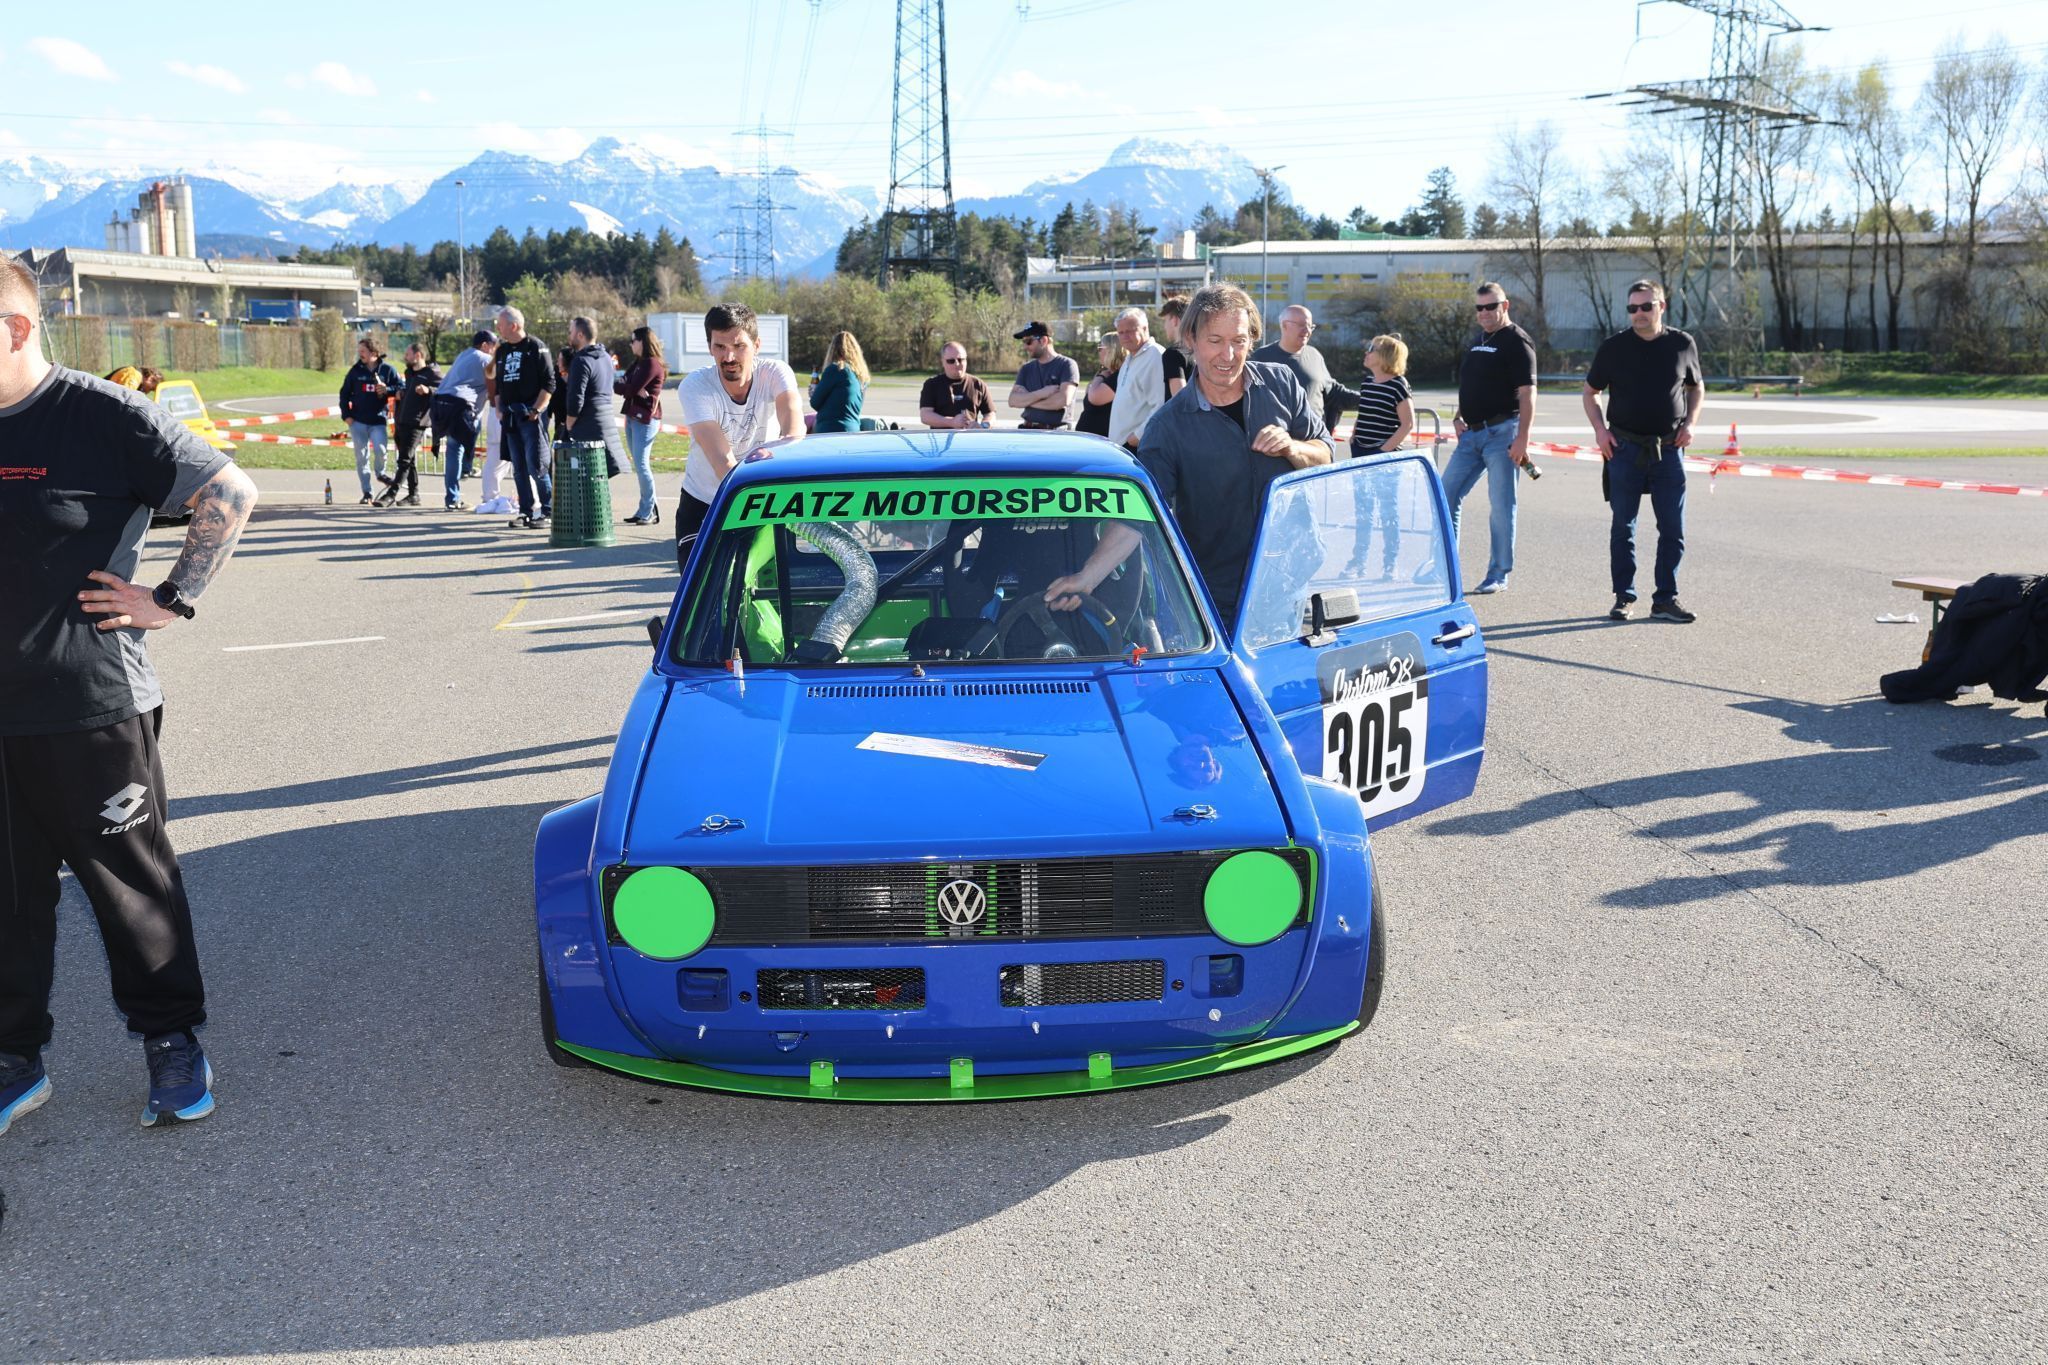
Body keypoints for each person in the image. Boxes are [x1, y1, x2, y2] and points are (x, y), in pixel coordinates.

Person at [0, 254, 259, 1133]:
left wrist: (171, 597)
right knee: (6, 897)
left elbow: (229, 487)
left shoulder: (102, 415)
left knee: (130, 888)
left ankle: (172, 1042)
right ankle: (14, 1058)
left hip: (92, 707)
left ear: (16, 329)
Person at [1045, 282, 1334, 627]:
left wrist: (1292, 446)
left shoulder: (1282, 384)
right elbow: (1137, 514)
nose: (1228, 355)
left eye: (1239, 341)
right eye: (1215, 341)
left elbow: (1325, 452)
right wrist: (1088, 577)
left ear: (1252, 340)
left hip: (1289, 583)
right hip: (1219, 599)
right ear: (1191, 339)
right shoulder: (1166, 428)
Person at [1582, 279, 1703, 624]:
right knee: (1624, 526)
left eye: (1646, 306)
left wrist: (1691, 423)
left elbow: (1696, 387)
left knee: (1673, 529)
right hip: (1623, 449)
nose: (1639, 313)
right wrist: (1600, 431)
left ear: (1661, 307)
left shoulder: (1682, 343)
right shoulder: (1613, 347)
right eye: (1632, 308)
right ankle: (1624, 596)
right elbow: (1590, 392)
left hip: (1669, 448)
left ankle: (1665, 599)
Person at [674, 302, 804, 568]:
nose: (729, 356)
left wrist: (784, 450)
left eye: (738, 346)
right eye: (720, 347)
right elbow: (723, 463)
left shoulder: (775, 372)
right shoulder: (695, 386)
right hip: (705, 501)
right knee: (701, 588)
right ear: (709, 347)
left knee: (766, 585)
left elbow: (794, 429)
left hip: (762, 499)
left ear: (756, 345)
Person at [1444, 281, 1537, 594]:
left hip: (1503, 433)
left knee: (1501, 505)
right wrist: (1458, 416)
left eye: (1491, 306)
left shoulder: (1517, 341)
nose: (1484, 312)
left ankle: (1498, 573)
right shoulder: (1478, 339)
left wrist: (1522, 438)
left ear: (1504, 306)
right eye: (1479, 307)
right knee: (1446, 495)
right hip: (1471, 435)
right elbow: (1473, 384)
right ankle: (1447, 569)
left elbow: (1528, 393)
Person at [1348, 334, 1416, 576]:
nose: (1366, 352)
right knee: (1363, 511)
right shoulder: (1367, 383)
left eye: (1372, 348)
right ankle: (1359, 561)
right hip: (1360, 451)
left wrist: (1383, 451)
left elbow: (1407, 424)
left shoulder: (1398, 385)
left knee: (1388, 512)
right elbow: (1364, 413)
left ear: (1385, 356)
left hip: (1384, 456)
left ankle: (1390, 563)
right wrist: (1355, 435)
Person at [491, 306, 554, 530]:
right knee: (518, 468)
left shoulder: (536, 347)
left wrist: (536, 410)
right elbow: (498, 383)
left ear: (514, 325)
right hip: (509, 417)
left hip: (530, 417)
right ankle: (525, 511)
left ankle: (548, 511)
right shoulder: (502, 350)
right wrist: (499, 408)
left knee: (537, 466)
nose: (498, 328)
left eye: (500, 324)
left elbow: (549, 382)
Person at [1253, 305, 1360, 436]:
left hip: (1315, 440)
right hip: (1278, 442)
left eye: (1310, 326)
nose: (1307, 330)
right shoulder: (1260, 359)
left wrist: (1368, 399)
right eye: (1301, 325)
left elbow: (1332, 392)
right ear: (1284, 325)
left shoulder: (1315, 355)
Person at [431, 330, 495, 511]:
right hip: (459, 406)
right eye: (493, 346)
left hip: (441, 402)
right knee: (459, 445)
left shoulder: (464, 354)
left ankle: (453, 495)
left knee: (454, 448)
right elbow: (495, 384)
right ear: (485, 345)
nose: (494, 350)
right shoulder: (485, 359)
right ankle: (466, 468)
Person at [561, 315, 628, 488]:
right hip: (604, 422)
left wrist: (569, 424)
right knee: (598, 479)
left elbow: (576, 398)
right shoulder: (605, 357)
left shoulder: (581, 360)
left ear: (580, 335)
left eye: (571, 332)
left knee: (583, 482)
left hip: (586, 427)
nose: (569, 336)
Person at [375, 342, 441, 508]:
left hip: (417, 422)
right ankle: (413, 495)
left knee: (404, 460)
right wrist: (392, 391)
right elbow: (406, 391)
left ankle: (391, 494)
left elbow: (444, 390)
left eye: (408, 354)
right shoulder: (409, 373)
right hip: (402, 420)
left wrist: (429, 390)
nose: (405, 357)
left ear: (418, 355)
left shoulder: (432, 373)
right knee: (408, 459)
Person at [615, 325, 667, 524]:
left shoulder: (651, 364)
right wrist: (632, 388)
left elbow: (629, 388)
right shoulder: (638, 363)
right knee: (639, 464)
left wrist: (631, 388)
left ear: (643, 342)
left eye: (633, 340)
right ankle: (646, 508)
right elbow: (618, 385)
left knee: (642, 465)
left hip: (645, 420)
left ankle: (648, 511)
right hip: (632, 416)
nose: (631, 344)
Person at [339, 337, 400, 504]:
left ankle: (381, 473)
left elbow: (400, 387)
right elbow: (344, 393)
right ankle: (367, 492)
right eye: (359, 351)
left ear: (374, 353)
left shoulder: (387, 370)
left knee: (380, 450)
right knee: (361, 457)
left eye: (363, 351)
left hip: (378, 420)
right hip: (358, 421)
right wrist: (346, 415)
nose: (360, 354)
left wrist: (387, 389)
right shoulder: (355, 371)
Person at [1105, 308, 1165, 452]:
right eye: (1121, 332)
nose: (1125, 336)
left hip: (1139, 445)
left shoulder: (1155, 355)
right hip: (1123, 445)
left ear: (1145, 328)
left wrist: (1138, 435)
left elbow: (1161, 404)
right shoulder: (1130, 358)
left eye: (1130, 331)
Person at [1006, 321, 1079, 430]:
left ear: (1044, 340)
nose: (1025, 347)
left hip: (1055, 433)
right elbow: (1013, 400)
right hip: (1028, 430)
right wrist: (1042, 393)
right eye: (1023, 342)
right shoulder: (1026, 368)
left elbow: (1062, 400)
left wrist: (1027, 401)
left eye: (1028, 341)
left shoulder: (1067, 365)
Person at [917, 343, 993, 429]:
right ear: (942, 362)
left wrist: (983, 426)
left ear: (966, 360)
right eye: (951, 361)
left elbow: (990, 413)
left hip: (969, 436)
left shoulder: (978, 384)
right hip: (941, 436)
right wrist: (951, 422)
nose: (956, 364)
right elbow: (925, 415)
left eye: (960, 360)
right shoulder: (932, 384)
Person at [809, 330, 868, 434]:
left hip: (830, 430)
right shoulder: (862, 375)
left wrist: (813, 393)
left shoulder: (835, 369)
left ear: (833, 350)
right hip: (853, 429)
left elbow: (815, 403)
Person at [1075, 331, 1122, 440]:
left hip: (1102, 440)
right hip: (1090, 439)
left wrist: (1100, 377)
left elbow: (1094, 397)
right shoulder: (1108, 374)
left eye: (1100, 348)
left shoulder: (1118, 377)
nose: (1098, 351)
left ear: (1111, 350)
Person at [1158, 295, 1191, 399]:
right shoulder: (1202, 351)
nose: (1164, 326)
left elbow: (1180, 399)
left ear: (1174, 320)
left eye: (1165, 320)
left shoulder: (1172, 354)